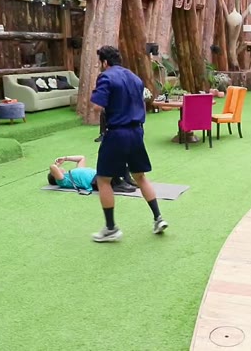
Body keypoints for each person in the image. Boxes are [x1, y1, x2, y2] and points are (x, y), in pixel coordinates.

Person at [89, 45, 167, 242]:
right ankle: (158, 218)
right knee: (140, 177)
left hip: (117, 133)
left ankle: (110, 228)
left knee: (103, 180)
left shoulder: (106, 77)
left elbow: (97, 106)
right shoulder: (135, 78)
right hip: (137, 132)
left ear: (104, 62)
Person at [47, 155, 137, 193]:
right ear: (55, 176)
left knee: (119, 158)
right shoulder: (63, 181)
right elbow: (52, 167)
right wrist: (56, 165)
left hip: (100, 175)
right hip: (96, 181)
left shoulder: (75, 171)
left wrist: (65, 158)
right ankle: (119, 184)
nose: (59, 168)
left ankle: (127, 180)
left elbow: (81, 158)